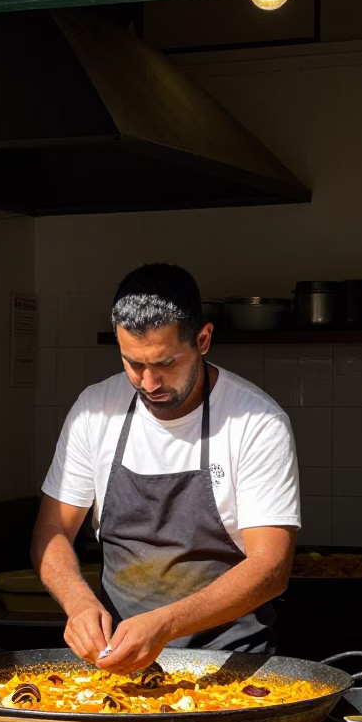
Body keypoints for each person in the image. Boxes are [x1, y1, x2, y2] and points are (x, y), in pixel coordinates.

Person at [31, 263, 301, 674]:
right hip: (117, 665)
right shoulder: (94, 410)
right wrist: (79, 602)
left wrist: (164, 625)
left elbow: (272, 567)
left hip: (229, 667)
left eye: (166, 363)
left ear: (204, 339)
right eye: (133, 364)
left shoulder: (256, 421)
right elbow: (51, 533)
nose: (149, 382)